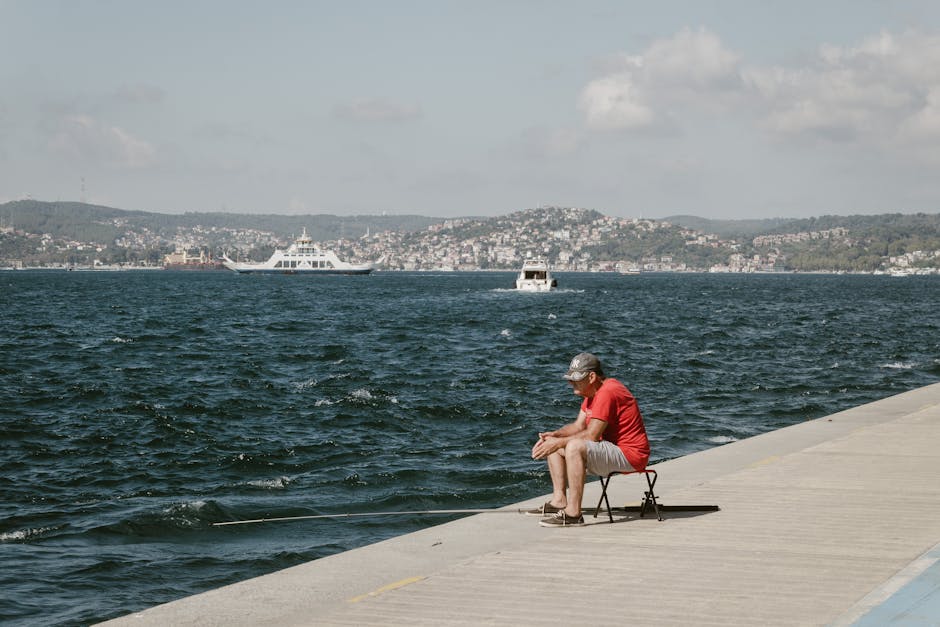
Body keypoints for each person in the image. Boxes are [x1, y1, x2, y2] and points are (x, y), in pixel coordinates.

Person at [529, 352, 650, 527]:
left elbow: (591, 435)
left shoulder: (608, 392)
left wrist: (560, 442)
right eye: (570, 378)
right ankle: (559, 501)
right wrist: (554, 436)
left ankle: (573, 513)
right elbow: (578, 426)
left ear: (592, 376)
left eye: (576, 378)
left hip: (632, 455)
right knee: (556, 445)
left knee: (574, 446)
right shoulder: (592, 394)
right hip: (613, 450)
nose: (571, 382)